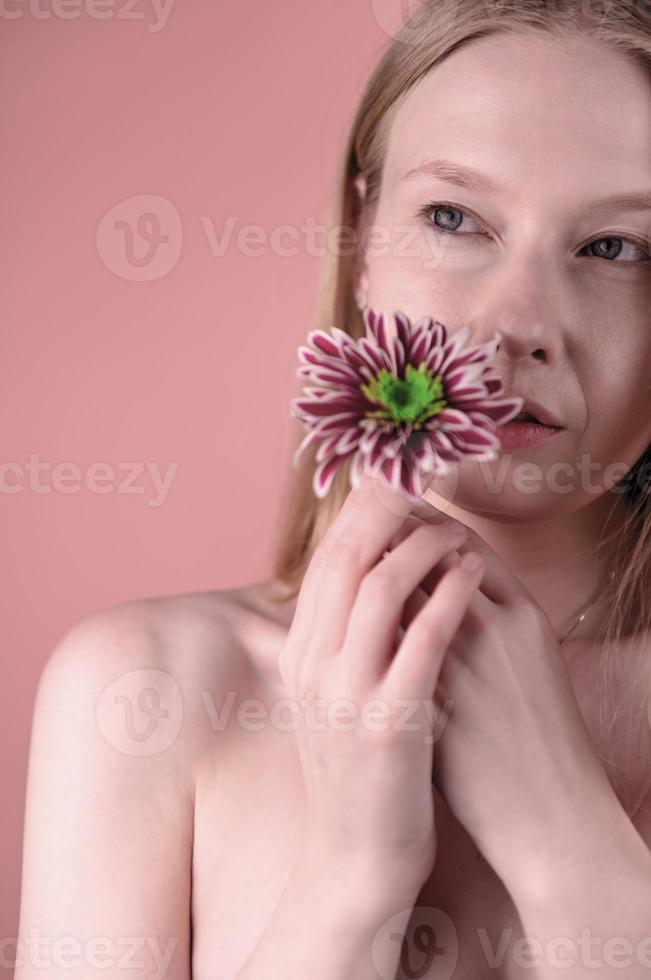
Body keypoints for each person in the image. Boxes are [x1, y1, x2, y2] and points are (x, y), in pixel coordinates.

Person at [15, 2, 651, 978]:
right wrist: (352, 874)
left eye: (616, 246)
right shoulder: (145, 692)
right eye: (453, 218)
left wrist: (564, 838)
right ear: (362, 237)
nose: (519, 320)